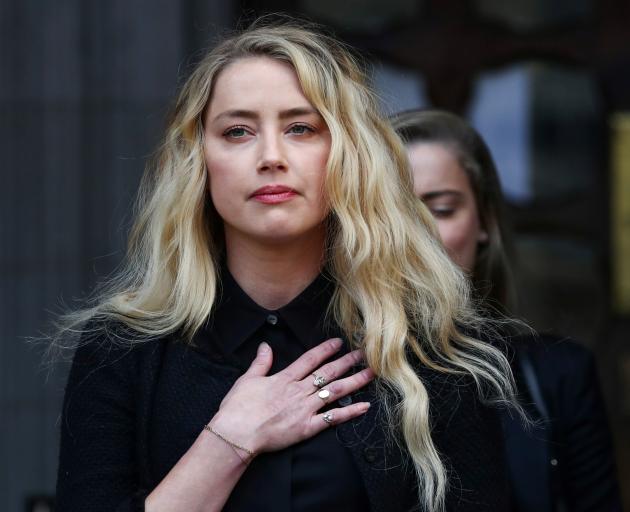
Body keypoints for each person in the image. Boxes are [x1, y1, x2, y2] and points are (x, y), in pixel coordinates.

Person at [55, 22, 520, 512]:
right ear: (200, 160)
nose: (271, 157)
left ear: (347, 154)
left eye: (301, 128)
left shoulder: (429, 350)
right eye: (238, 132)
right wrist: (227, 442)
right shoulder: (119, 351)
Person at [392, 109, 623, 512]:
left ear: (485, 222)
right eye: (394, 210)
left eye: (442, 209)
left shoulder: (561, 376)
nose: (420, 233)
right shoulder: (329, 375)